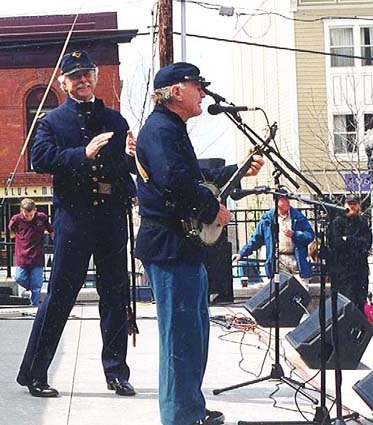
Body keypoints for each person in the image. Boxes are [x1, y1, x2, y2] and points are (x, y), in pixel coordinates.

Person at [134, 62, 264, 425]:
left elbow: (197, 176)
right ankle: (179, 416)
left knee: (193, 335)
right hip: (169, 246)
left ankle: (189, 407)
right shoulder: (160, 131)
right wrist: (212, 210)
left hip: (182, 247)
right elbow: (175, 183)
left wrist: (237, 169)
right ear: (176, 91)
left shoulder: (172, 129)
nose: (203, 93)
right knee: (180, 337)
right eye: (197, 87)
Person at [16, 49, 137, 398]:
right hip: (74, 217)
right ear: (63, 82)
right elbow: (40, 158)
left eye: (88, 74)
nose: (83, 80)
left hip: (111, 216)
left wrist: (131, 156)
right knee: (59, 297)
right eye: (75, 76)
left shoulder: (114, 119)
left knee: (115, 295)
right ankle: (35, 372)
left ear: (95, 77)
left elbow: (127, 166)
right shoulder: (52, 122)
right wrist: (81, 154)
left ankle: (116, 372)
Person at [232, 192, 315, 289]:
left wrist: (294, 234)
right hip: (278, 260)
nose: (287, 202)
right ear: (276, 202)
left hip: (297, 260)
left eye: (288, 199)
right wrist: (241, 253)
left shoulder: (298, 217)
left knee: (302, 290)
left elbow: (309, 235)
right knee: (281, 291)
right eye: (284, 199)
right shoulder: (268, 219)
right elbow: (255, 239)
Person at [327, 194, 372, 313]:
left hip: (359, 269)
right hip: (343, 270)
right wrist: (353, 241)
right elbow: (336, 243)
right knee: (345, 301)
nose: (352, 207)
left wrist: (348, 239)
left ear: (359, 206)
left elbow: (366, 243)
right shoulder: (337, 222)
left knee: (360, 301)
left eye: (354, 204)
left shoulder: (363, 222)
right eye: (349, 204)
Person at [8, 198, 53, 306]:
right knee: (19, 277)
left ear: (35, 210)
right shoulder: (16, 219)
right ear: (21, 210)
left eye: (31, 215)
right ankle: (30, 287)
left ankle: (34, 304)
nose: (29, 217)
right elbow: (11, 231)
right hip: (22, 255)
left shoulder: (41, 218)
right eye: (26, 215)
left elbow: (51, 229)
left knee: (37, 284)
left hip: (37, 255)